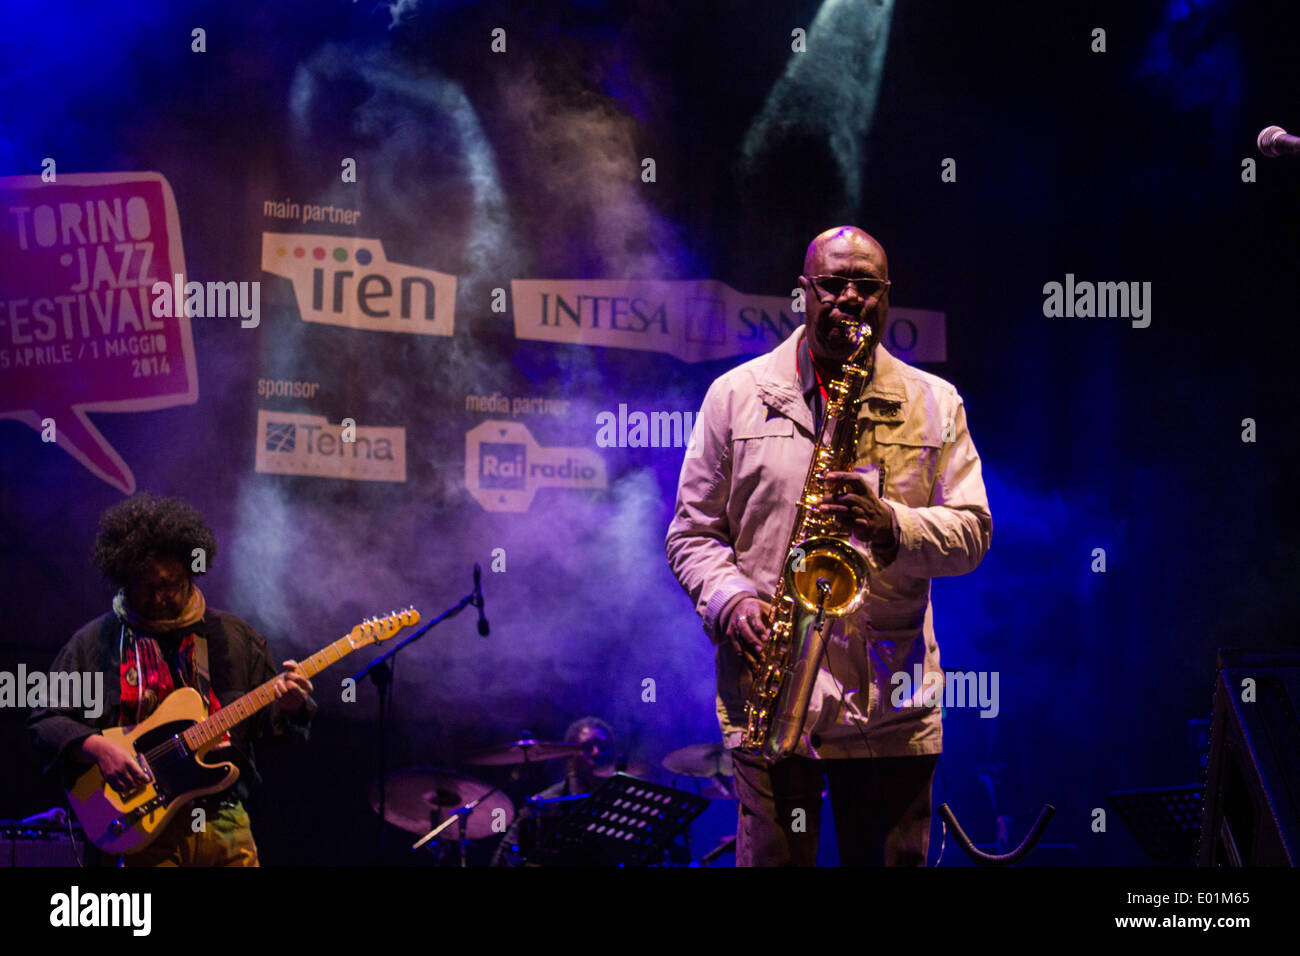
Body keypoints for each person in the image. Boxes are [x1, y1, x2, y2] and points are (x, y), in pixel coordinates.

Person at [666, 226, 992, 866]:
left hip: (891, 714)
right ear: (804, 293)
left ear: (886, 298)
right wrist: (731, 602)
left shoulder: (935, 402)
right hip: (772, 697)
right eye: (833, 284)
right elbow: (693, 533)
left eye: (866, 286)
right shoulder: (735, 397)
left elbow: (973, 534)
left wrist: (892, 524)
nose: (849, 298)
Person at [27, 492, 315, 866]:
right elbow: (44, 720)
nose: (161, 597)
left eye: (172, 584)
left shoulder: (234, 637)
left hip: (225, 820)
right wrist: (97, 747)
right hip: (141, 828)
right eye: (147, 587)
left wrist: (290, 708)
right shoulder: (93, 643)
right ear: (125, 580)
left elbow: (272, 733)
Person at [490, 716, 614, 866]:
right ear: (569, 756)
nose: (596, 752)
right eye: (587, 747)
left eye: (603, 746)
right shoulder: (546, 803)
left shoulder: (620, 799)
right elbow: (506, 857)